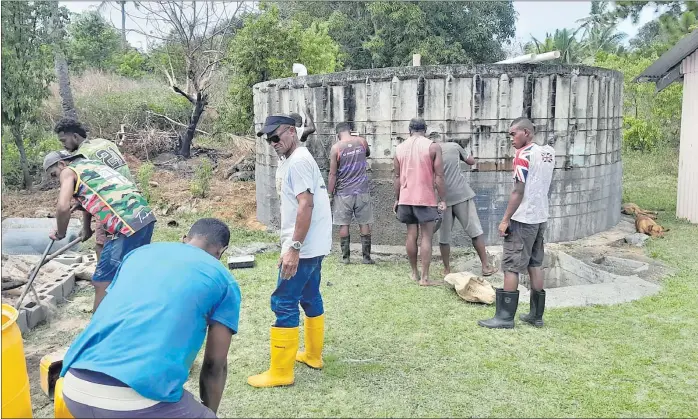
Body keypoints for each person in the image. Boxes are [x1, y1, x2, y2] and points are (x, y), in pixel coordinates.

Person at [55, 218, 241, 418]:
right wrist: (209, 412)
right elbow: (215, 365)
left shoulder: (137, 255)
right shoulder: (223, 280)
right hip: (135, 401)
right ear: (221, 252)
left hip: (74, 386)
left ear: (184, 238)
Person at [248, 115, 332, 388]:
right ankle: (313, 355)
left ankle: (281, 373)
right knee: (309, 295)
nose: (273, 143)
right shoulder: (299, 158)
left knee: (283, 301)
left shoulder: (297, 162)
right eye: (269, 139)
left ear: (290, 132)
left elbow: (304, 205)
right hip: (314, 244)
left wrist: (293, 248)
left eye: (276, 137)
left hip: (304, 247)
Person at [43, 150, 156, 312]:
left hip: (125, 225)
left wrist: (61, 233)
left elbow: (62, 207)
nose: (56, 180)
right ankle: (132, 314)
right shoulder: (91, 165)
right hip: (144, 217)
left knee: (103, 281)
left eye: (54, 175)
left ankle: (98, 328)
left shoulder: (68, 171)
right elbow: (91, 198)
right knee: (129, 271)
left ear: (62, 164)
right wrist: (86, 227)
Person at [478, 117, 555, 329]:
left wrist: (505, 220)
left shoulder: (523, 155)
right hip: (540, 216)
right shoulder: (548, 153)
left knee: (511, 265)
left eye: (514, 134)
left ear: (527, 133)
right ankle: (536, 315)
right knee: (535, 264)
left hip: (523, 218)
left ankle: (504, 317)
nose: (510, 138)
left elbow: (518, 190)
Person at [54, 117, 134, 261]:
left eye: (64, 141)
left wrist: (86, 227)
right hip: (132, 196)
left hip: (112, 202)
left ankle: (105, 281)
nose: (64, 145)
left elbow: (91, 193)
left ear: (75, 136)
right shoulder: (105, 142)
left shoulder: (82, 157)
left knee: (101, 247)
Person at [393, 117, 447, 286]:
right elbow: (439, 176)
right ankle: (424, 278)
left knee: (411, 234)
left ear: (409, 130)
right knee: (426, 237)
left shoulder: (399, 148)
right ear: (425, 130)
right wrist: (443, 199)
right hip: (425, 198)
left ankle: (414, 273)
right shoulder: (433, 146)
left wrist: (397, 199)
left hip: (405, 197)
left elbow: (396, 177)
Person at [437, 140, 496, 276]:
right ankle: (485, 267)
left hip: (442, 198)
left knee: (444, 237)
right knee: (475, 231)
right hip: (461, 194)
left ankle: (446, 270)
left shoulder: (429, 151)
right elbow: (471, 161)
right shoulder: (454, 146)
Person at [328, 122, 375, 264]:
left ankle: (345, 258)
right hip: (362, 190)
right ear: (350, 131)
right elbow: (367, 153)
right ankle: (366, 258)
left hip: (343, 193)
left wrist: (330, 193)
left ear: (338, 134)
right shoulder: (361, 141)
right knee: (364, 223)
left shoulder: (336, 148)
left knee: (344, 225)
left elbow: (332, 173)